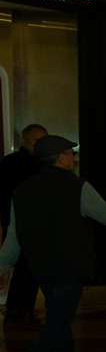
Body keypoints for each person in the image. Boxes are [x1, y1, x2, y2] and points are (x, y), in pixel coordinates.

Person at [0, 135, 106, 352]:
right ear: (61, 157)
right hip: (71, 263)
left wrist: (3, 267)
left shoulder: (22, 191)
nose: (73, 158)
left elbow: (14, 236)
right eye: (71, 154)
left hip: (40, 266)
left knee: (59, 310)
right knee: (59, 316)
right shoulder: (78, 187)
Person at [0, 123, 46, 324]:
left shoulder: (44, 164)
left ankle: (21, 308)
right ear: (24, 141)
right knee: (24, 265)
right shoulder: (12, 163)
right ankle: (18, 308)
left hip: (33, 223)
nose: (39, 144)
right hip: (17, 222)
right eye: (36, 140)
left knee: (29, 266)